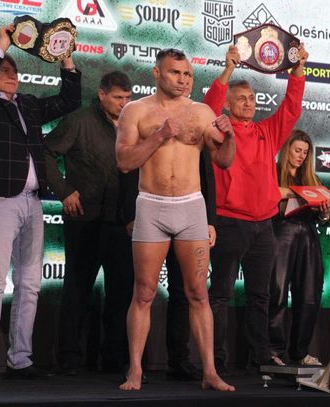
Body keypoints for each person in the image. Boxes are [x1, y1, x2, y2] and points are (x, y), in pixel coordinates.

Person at [116, 48, 235, 391]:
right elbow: (124, 162)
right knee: (144, 293)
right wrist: (159, 135)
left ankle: (209, 372)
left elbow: (224, 161)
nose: (183, 80)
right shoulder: (135, 111)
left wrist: (230, 137)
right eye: (175, 73)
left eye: (187, 74)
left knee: (198, 293)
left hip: (191, 208)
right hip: (151, 206)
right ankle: (135, 371)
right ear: (157, 73)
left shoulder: (201, 112)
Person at [203, 44, 308, 372]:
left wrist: (298, 69)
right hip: (228, 222)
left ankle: (261, 357)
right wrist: (228, 70)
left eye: (252, 98)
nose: (249, 103)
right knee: (220, 295)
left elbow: (291, 109)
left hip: (264, 226)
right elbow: (208, 108)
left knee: (260, 296)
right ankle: (215, 360)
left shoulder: (266, 132)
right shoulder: (218, 130)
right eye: (241, 99)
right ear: (228, 104)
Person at [0, 23, 81, 378]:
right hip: (1, 200)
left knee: (30, 284)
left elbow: (70, 100)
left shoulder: (28, 105)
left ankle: (20, 359)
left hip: (32, 202)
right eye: (3, 69)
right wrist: (1, 46)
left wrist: (66, 58)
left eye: (14, 71)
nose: (11, 75)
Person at [44, 71, 133, 375]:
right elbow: (46, 152)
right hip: (84, 216)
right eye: (118, 97)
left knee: (121, 291)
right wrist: (64, 191)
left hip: (121, 220)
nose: (124, 103)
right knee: (77, 288)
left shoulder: (133, 124)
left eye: (128, 98)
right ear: (102, 94)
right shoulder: (79, 121)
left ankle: (114, 358)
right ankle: (68, 358)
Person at [268, 129, 328, 366]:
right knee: (277, 292)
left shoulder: (312, 179)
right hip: (280, 233)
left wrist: (324, 214)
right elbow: (265, 198)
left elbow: (323, 219)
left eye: (305, 152)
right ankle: (273, 350)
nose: (301, 156)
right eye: (297, 150)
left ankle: (300, 352)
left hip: (308, 236)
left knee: (309, 295)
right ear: (286, 150)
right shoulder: (272, 172)